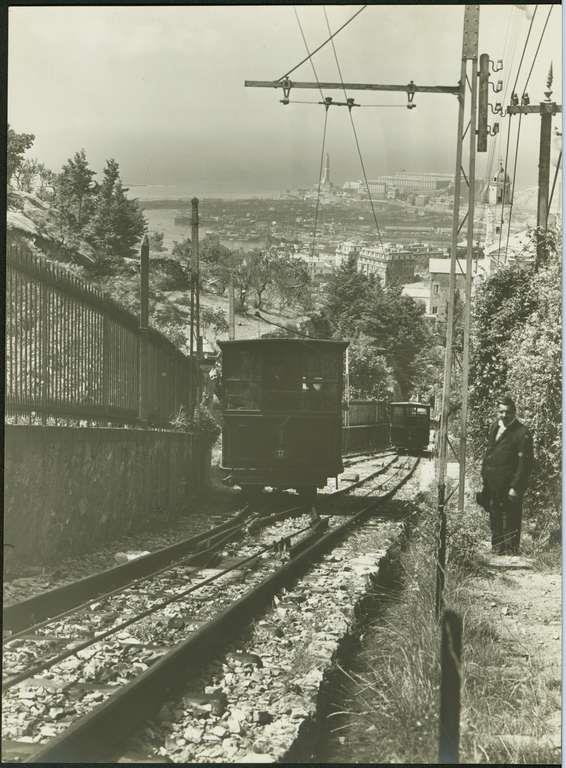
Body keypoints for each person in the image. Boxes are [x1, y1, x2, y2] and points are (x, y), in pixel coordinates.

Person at [479, 395, 533, 555]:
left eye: (508, 412)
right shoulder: (494, 427)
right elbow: (490, 452)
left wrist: (516, 487)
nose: (504, 415)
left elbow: (525, 464)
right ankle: (497, 548)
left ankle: (510, 551)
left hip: (510, 484)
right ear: (497, 412)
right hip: (492, 482)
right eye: (501, 412)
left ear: (514, 412)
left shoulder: (522, 432)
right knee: (494, 514)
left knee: (511, 517)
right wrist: (485, 477)